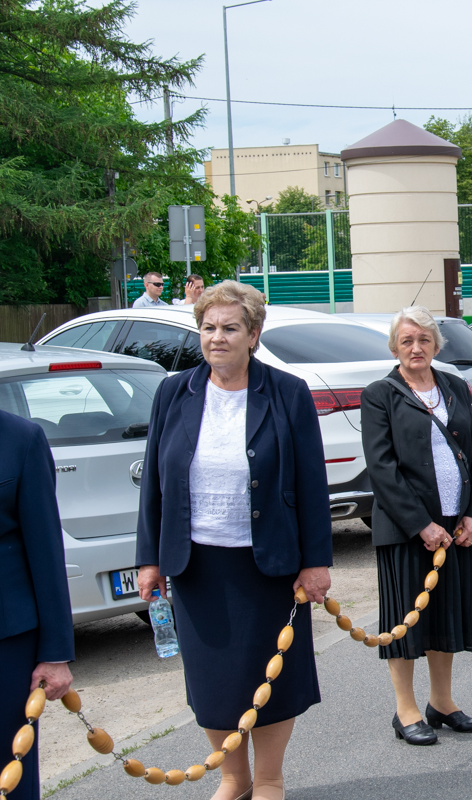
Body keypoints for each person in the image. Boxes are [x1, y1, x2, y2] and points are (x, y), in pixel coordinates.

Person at [136, 280, 332, 800]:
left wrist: (316, 561)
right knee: (213, 681)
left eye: (229, 328)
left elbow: (311, 482)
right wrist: (149, 559)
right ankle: (233, 776)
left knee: (272, 677)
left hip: (268, 563)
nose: (217, 338)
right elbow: (155, 481)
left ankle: (268, 778)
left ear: (253, 334)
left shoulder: (287, 392)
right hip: (197, 565)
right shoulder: (174, 392)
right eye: (208, 328)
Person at [360, 307, 472, 746]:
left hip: (455, 525)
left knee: (445, 616)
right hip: (407, 529)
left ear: (436, 345)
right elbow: (382, 469)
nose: (416, 348)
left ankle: (442, 702)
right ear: (394, 347)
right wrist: (421, 524)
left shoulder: (453, 385)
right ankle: (406, 710)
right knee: (405, 621)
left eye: (424, 340)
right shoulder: (380, 394)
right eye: (407, 340)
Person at [0, 402, 74, 800]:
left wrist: (55, 653)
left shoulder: (18, 439)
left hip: (0, 646)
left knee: (7, 778)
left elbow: (46, 553)